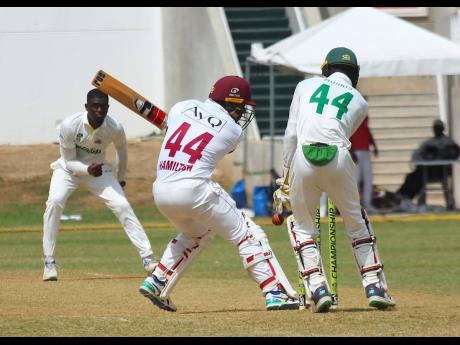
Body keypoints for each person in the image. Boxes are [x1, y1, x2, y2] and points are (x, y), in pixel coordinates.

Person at [138, 76, 299, 312]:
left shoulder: (181, 107)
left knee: (198, 233)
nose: (242, 113)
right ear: (231, 104)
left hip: (161, 190)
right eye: (241, 108)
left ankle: (157, 279)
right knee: (247, 235)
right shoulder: (232, 130)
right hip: (195, 189)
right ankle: (274, 291)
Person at [277, 47, 396, 312]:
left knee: (302, 225)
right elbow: (340, 132)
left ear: (326, 68)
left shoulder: (304, 85)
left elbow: (290, 136)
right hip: (339, 157)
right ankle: (374, 285)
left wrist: (285, 180)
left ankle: (318, 287)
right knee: (356, 223)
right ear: (354, 75)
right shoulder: (360, 102)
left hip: (303, 157)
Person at [42, 89, 157, 281]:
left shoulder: (115, 127)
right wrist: (87, 170)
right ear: (86, 107)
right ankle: (49, 262)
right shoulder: (70, 125)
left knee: (122, 205)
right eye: (94, 106)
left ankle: (148, 260)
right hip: (68, 170)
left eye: (103, 106)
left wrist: (120, 179)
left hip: (98, 170)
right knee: (54, 201)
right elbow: (69, 160)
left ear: (107, 108)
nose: (98, 110)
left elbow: (122, 151)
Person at [396, 119, 460, 211]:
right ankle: (404, 196)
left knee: (419, 177)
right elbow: (417, 155)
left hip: (441, 171)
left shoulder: (448, 142)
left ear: (442, 129)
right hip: (427, 170)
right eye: (436, 128)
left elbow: (455, 153)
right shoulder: (429, 143)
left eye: (439, 128)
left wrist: (444, 154)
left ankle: (407, 199)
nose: (437, 130)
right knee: (411, 177)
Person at [350, 114, 379, 213]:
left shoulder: (364, 115)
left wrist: (374, 145)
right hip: (356, 150)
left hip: (365, 149)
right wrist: (351, 150)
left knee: (368, 177)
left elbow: (367, 129)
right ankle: (354, 205)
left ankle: (367, 203)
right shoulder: (352, 115)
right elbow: (348, 133)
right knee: (356, 178)